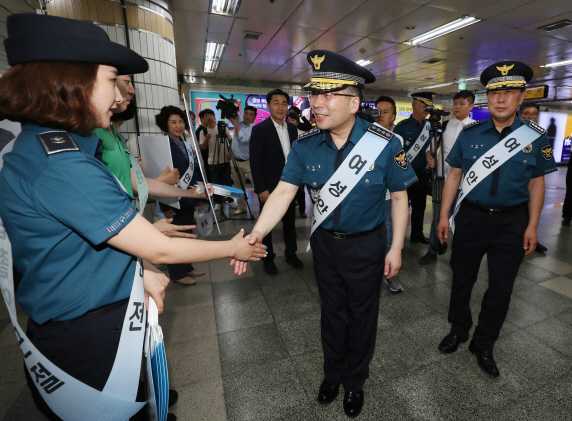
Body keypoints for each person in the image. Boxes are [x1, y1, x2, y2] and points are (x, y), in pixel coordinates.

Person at [0, 13, 266, 420]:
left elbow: (91, 241)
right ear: (71, 81)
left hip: (94, 314)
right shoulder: (61, 165)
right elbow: (156, 245)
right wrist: (234, 247)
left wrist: (143, 268)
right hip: (88, 332)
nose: (120, 96)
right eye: (111, 79)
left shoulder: (48, 148)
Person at [241, 50, 417, 417]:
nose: (315, 103)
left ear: (353, 103)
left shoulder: (385, 144)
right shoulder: (305, 147)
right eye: (314, 94)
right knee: (332, 314)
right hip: (324, 246)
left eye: (327, 95)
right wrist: (256, 234)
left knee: (363, 316)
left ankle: (355, 381)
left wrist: (396, 247)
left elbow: (400, 199)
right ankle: (332, 374)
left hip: (368, 245)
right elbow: (284, 192)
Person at [436, 61, 557, 378]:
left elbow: (537, 183)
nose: (501, 99)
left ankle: (484, 343)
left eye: (509, 92)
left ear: (520, 97)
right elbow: (454, 176)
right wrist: (445, 216)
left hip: (512, 223)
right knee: (462, 280)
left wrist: (532, 226)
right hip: (472, 218)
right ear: (486, 99)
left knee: (501, 289)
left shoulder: (535, 137)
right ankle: (459, 329)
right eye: (494, 93)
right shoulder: (470, 133)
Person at [249, 88, 303, 275]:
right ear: (269, 105)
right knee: (267, 225)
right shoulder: (260, 130)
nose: (280, 107)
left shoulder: (293, 129)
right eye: (276, 103)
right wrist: (261, 188)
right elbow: (255, 162)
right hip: (270, 188)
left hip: (290, 186)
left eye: (283, 103)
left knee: (290, 223)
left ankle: (291, 254)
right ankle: (268, 258)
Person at [419, 90, 475, 265]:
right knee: (437, 216)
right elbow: (433, 146)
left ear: (471, 106)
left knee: (461, 220)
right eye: (455, 103)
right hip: (442, 179)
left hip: (465, 183)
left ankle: (457, 254)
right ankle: (433, 250)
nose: (457, 107)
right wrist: (429, 154)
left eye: (462, 104)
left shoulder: (476, 128)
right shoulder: (446, 125)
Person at [156, 106, 208, 284]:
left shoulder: (185, 143)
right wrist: (165, 206)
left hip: (187, 197)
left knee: (188, 233)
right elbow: (161, 178)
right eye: (173, 122)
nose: (178, 125)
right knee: (177, 236)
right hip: (173, 200)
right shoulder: (162, 145)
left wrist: (198, 195)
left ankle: (187, 266)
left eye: (181, 121)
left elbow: (193, 171)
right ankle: (177, 273)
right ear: (165, 124)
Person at [394, 92, 437, 244]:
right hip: (404, 175)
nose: (426, 108)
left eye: (428, 106)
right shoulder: (402, 127)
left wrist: (429, 156)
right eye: (423, 105)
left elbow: (430, 147)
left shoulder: (429, 127)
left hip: (421, 175)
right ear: (414, 105)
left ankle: (417, 234)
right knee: (402, 207)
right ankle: (397, 237)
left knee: (420, 207)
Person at [375, 95, 404, 293]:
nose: (381, 115)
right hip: (366, 199)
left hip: (386, 199)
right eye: (377, 111)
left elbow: (399, 174)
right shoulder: (360, 136)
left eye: (386, 112)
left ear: (393, 117)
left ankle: (390, 275)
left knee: (388, 237)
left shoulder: (397, 140)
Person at [518, 102, 548, 252]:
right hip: (515, 188)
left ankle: (531, 237)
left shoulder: (540, 135)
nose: (530, 116)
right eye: (526, 113)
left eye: (534, 113)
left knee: (531, 214)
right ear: (520, 114)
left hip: (531, 184)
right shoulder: (511, 133)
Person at [198, 108, 233, 211]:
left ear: (214, 117)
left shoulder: (222, 128)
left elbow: (230, 140)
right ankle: (217, 202)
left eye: (210, 115)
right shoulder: (203, 131)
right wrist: (206, 140)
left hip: (225, 160)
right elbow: (202, 147)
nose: (209, 118)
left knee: (227, 182)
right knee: (215, 183)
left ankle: (230, 200)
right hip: (212, 161)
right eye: (206, 116)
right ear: (203, 119)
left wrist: (230, 152)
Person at [228, 105, 257, 215]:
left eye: (251, 114)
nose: (248, 116)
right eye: (246, 113)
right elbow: (233, 114)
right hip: (235, 161)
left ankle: (265, 206)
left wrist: (235, 125)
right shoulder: (240, 122)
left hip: (248, 162)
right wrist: (233, 105)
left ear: (254, 117)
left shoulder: (254, 128)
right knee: (238, 186)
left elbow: (244, 139)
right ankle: (242, 207)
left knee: (257, 185)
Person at [287, 109, 308, 218]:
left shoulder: (302, 134)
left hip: (300, 166)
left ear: (297, 122)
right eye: (288, 120)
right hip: (287, 166)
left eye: (293, 120)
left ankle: (302, 210)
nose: (290, 122)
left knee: (300, 190)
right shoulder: (283, 133)